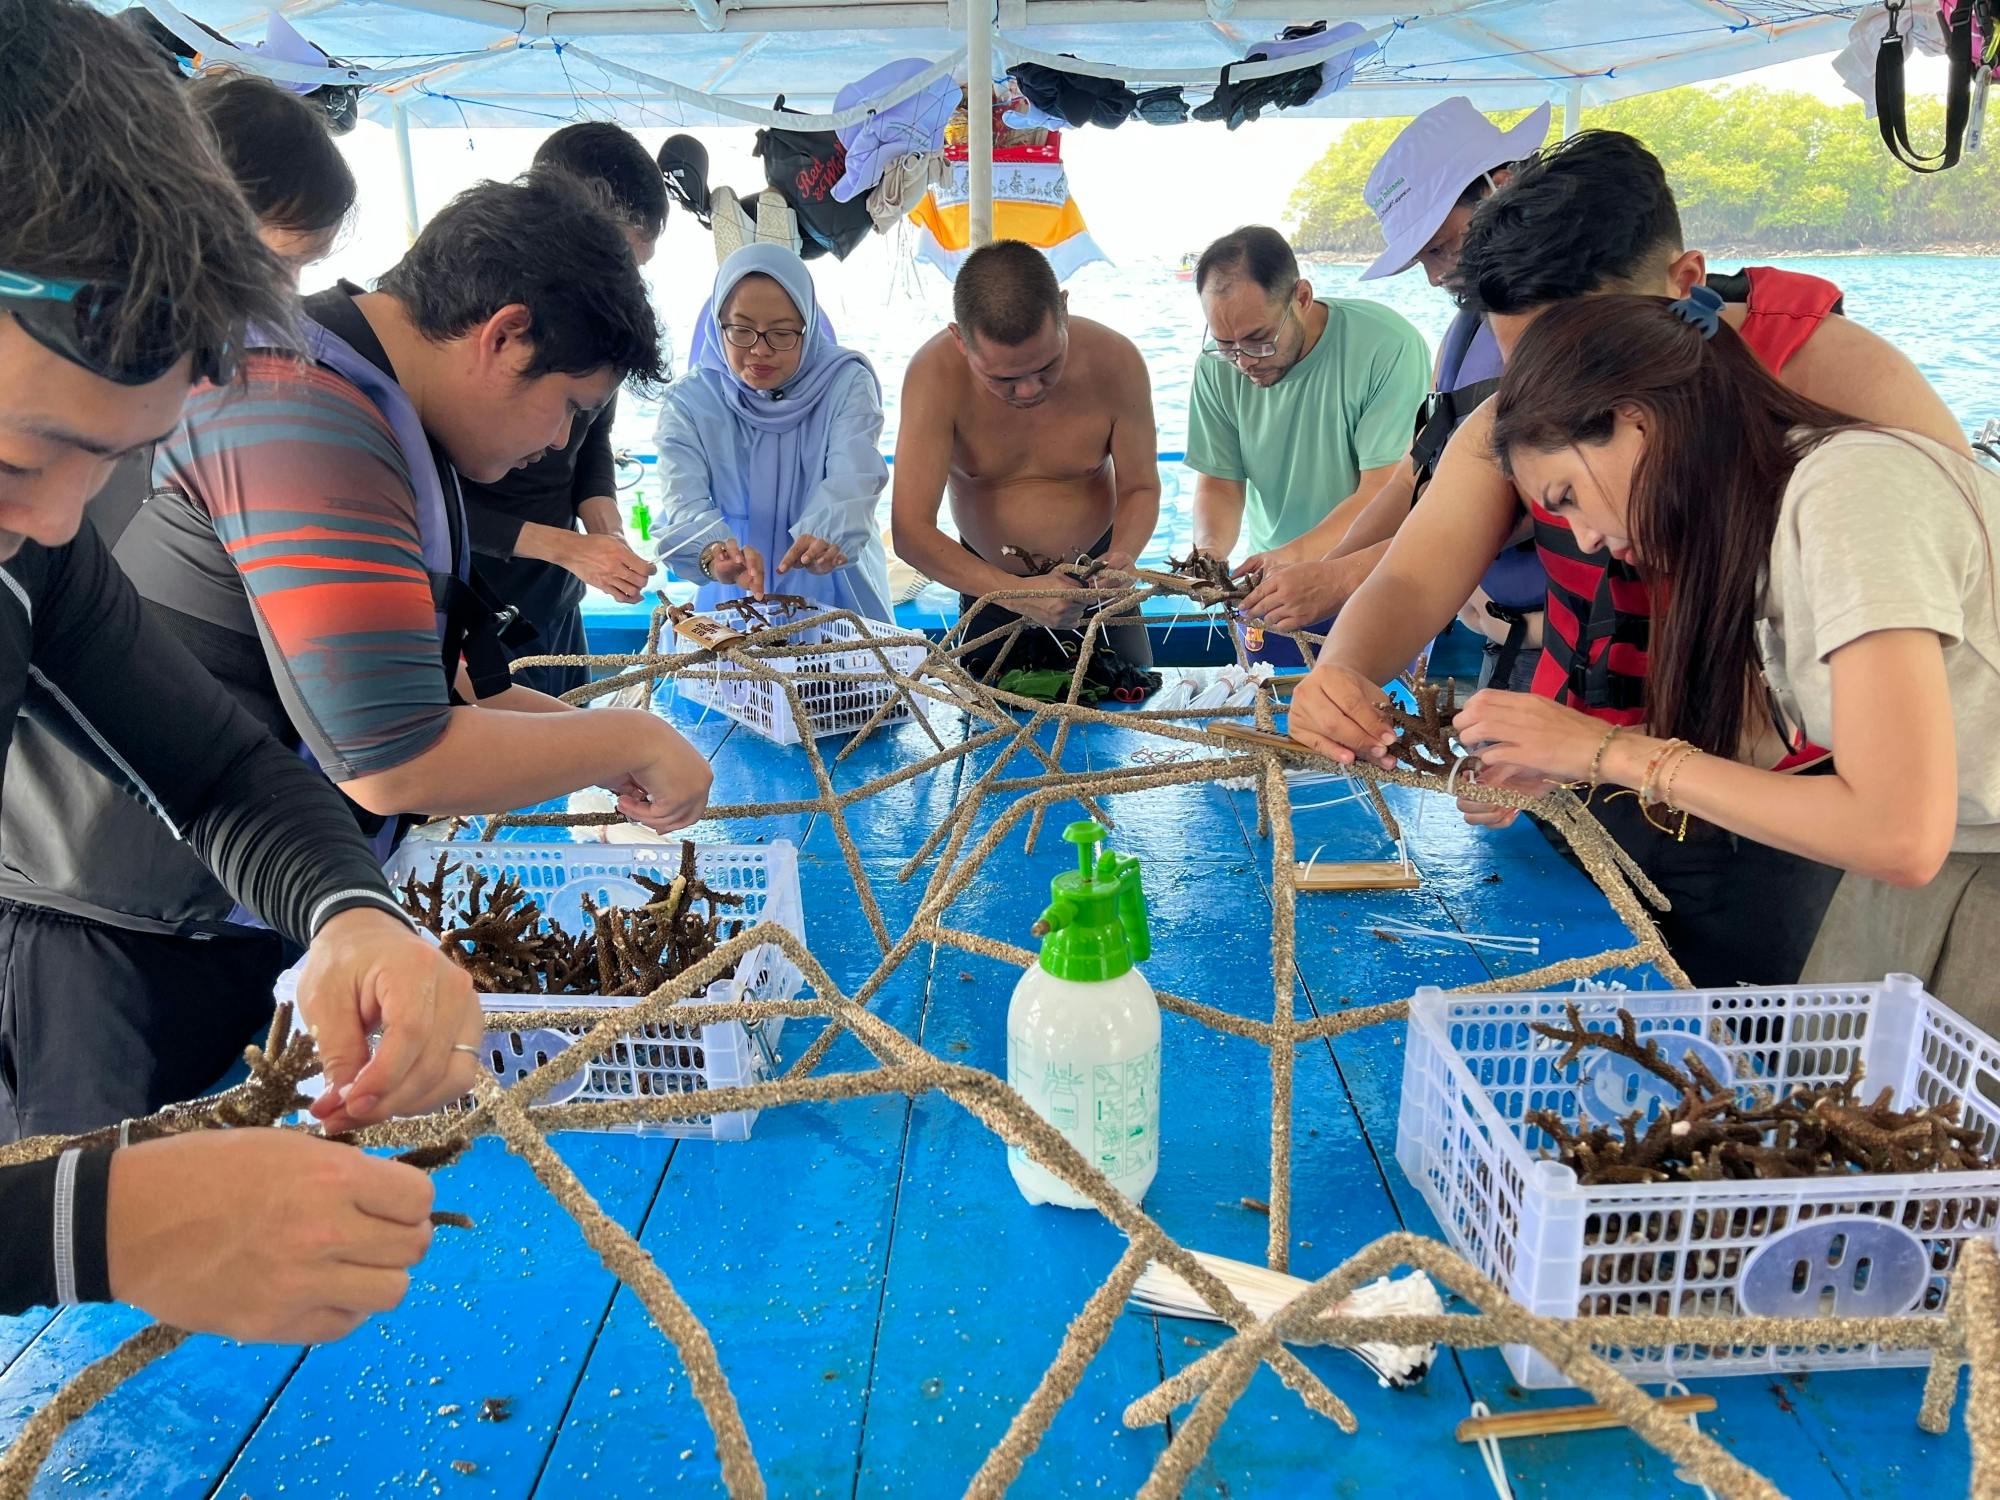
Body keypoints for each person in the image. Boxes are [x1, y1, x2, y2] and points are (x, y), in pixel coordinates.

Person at [0, 168, 714, 1140]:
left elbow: (427, 698)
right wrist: (625, 738)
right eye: (570, 409)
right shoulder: (298, 410)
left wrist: (617, 743)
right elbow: (393, 758)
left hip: (254, 888)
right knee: (99, 1257)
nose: (561, 445)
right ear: (503, 336)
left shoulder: (376, 407)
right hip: (117, 949)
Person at [0, 0, 480, 1341]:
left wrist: (352, 913)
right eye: (26, 457)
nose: (55, 521)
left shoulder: (28, 555)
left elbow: (217, 767)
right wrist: (103, 1224)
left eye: (114, 459)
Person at [1290, 129, 1970, 988]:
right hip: (1579, 769)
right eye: (1525, 363)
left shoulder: (1846, 424)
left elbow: (1947, 601)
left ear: (1682, 285)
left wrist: (1629, 755)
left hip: (1796, 808)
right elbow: (1415, 578)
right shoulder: (1527, 418)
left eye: (1585, 362)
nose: (1549, 399)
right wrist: (1342, 677)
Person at [1438, 293, 2000, 1025]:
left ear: (1635, 421)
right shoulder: (1769, 527)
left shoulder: (1852, 495)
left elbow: (1896, 833)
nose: (1582, 538)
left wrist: (1605, 750)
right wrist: (1569, 761)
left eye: (1568, 495)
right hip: (1946, 846)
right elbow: (1781, 750)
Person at [1233, 103, 1550, 687]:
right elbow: (1417, 476)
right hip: (1502, 653)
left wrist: (1344, 580)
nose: (1434, 276)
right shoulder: (1465, 337)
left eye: (1439, 246)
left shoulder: (1563, 325)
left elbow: (1521, 503)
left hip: (1567, 660)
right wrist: (1326, 573)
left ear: (1497, 187)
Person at [90, 69, 359, 551]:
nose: (282, 291)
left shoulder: (213, 345)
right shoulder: (83, 336)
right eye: (272, 262)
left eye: (302, 265)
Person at [459, 122, 665, 697]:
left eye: (635, 270)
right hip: (471, 602)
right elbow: (419, 498)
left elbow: (591, 435)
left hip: (554, 594)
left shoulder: (603, 320)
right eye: (615, 261)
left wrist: (602, 521)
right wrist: (567, 546)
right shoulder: (471, 319)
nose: (622, 286)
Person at [891, 240, 1160, 677]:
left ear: (1064, 311)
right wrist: (1015, 592)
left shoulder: (1117, 361)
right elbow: (910, 531)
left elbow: (1140, 486)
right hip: (988, 587)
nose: (1031, 390)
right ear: (960, 340)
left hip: (1099, 584)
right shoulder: (934, 376)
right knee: (984, 734)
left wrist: (1123, 556)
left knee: (1126, 718)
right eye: (1004, 379)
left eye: (1047, 366)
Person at [1183, 226, 1428, 667]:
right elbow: (1219, 484)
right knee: (1266, 718)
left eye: (1259, 340)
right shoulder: (1216, 367)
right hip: (1273, 587)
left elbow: (1384, 490)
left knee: (1380, 721)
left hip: (1374, 575)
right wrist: (1209, 555)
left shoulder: (1388, 346)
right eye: (1226, 345)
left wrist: (1292, 558)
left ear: (1301, 297)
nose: (1244, 362)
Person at [655, 244, 892, 622]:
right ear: (718, 326)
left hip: (832, 586)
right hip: (731, 591)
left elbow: (854, 476)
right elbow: (683, 500)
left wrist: (828, 535)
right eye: (742, 330)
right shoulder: (689, 402)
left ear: (809, 326)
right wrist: (712, 553)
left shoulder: (846, 383)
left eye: (782, 334)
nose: (760, 351)